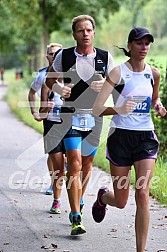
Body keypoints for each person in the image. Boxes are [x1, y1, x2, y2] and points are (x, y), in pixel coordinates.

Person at [91, 27, 166, 252]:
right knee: (122, 201)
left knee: (142, 193)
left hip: (145, 137)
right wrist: (119, 109)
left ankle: (140, 250)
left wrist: (158, 106)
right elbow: (97, 108)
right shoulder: (117, 73)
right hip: (120, 138)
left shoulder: (153, 73)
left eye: (147, 44)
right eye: (139, 43)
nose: (144, 48)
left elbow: (154, 98)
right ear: (130, 45)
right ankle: (104, 197)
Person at [45, 15, 114, 235]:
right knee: (73, 163)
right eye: (80, 30)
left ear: (94, 33)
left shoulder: (105, 57)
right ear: (74, 34)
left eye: (88, 30)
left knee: (87, 163)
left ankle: (80, 198)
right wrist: (58, 90)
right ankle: (76, 216)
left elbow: (116, 83)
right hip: (70, 116)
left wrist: (105, 85)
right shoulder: (63, 56)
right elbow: (50, 80)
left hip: (94, 117)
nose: (85, 34)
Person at [28, 43, 63, 197]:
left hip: (67, 119)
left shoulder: (68, 74)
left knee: (67, 154)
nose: (53, 56)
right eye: (51, 54)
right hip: (49, 119)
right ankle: (52, 183)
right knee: (53, 154)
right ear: (47, 56)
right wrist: (35, 111)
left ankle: (59, 179)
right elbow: (31, 93)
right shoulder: (42, 75)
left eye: (57, 54)